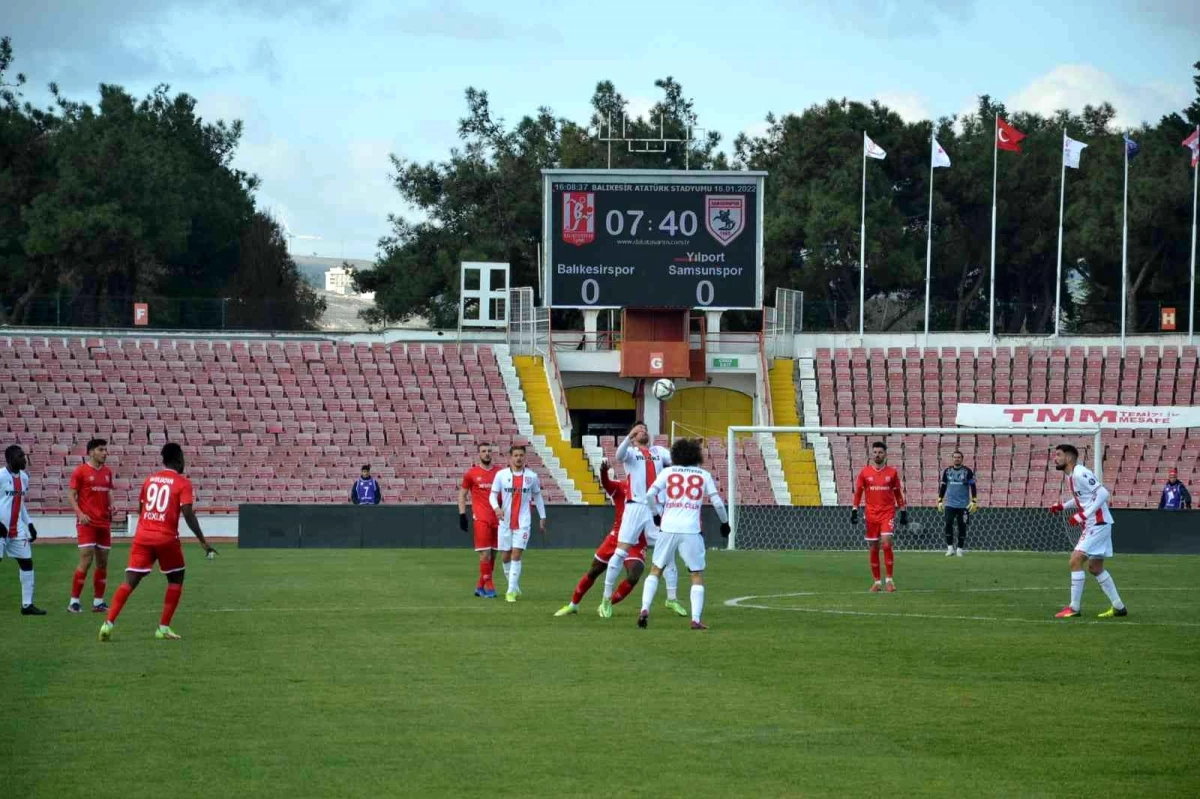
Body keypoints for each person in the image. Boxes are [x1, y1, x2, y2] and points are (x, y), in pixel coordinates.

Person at [99, 443, 217, 641]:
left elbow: (141, 508)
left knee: (130, 581)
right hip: (166, 537)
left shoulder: (150, 479)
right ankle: (163, 628)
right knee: (176, 578)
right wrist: (203, 541)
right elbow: (187, 513)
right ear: (178, 459)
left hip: (143, 536)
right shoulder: (182, 483)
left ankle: (107, 624)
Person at [637, 438, 730, 630]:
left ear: (676, 455)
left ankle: (644, 609)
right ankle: (695, 619)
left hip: (668, 526)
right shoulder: (703, 475)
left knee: (656, 569)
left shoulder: (668, 471)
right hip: (691, 529)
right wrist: (725, 523)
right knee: (695, 574)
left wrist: (656, 515)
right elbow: (718, 503)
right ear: (696, 455)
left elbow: (649, 495)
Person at [599, 421, 681, 619]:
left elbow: (676, 462)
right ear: (633, 437)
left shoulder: (659, 451)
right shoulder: (631, 453)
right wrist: (629, 435)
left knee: (667, 551)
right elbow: (618, 456)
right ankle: (606, 599)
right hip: (635, 507)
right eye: (639, 429)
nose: (643, 430)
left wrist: (687, 450)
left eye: (645, 428)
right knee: (620, 553)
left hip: (656, 508)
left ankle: (672, 598)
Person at [554, 459, 647, 616]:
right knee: (594, 570)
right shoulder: (621, 486)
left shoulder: (650, 490)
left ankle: (607, 604)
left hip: (637, 539)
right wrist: (603, 472)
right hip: (616, 536)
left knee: (635, 574)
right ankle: (573, 604)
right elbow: (606, 484)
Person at [1049, 444, 1126, 619]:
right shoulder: (1071, 476)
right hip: (1098, 524)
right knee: (1095, 567)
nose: (1055, 458)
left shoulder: (1080, 472)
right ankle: (1119, 607)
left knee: (1075, 560)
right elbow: (1082, 498)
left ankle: (1074, 608)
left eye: (1059, 455)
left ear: (1068, 458)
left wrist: (1084, 515)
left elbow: (1103, 493)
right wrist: (1063, 506)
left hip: (1097, 523)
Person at [488, 445, 547, 603]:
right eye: (515, 455)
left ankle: (510, 591)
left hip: (523, 522)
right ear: (510, 458)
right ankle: (514, 586)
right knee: (505, 556)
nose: (519, 458)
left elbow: (538, 497)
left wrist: (543, 516)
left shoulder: (532, 477)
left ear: (525, 457)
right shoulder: (501, 475)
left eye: (521, 455)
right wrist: (496, 509)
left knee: (516, 554)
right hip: (505, 522)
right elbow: (492, 496)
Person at [851, 441, 907, 593]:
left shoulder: (892, 472)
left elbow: (897, 493)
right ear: (871, 454)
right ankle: (877, 582)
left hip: (887, 512)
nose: (877, 455)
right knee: (873, 547)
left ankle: (889, 580)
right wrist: (854, 510)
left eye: (880, 452)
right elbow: (858, 493)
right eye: (875, 452)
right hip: (871, 514)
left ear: (885, 454)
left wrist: (903, 511)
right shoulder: (864, 473)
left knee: (887, 543)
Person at [67, 438, 115, 613]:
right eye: (101, 450)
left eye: (105, 450)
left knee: (102, 563)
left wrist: (112, 505)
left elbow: (109, 491)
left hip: (104, 523)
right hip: (87, 523)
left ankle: (98, 602)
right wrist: (80, 514)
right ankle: (73, 602)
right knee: (86, 561)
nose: (105, 453)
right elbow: (71, 495)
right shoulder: (80, 471)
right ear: (91, 452)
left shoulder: (108, 472)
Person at [0, 445, 44, 615]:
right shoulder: (1, 476)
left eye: (24, 456)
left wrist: (30, 524)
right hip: (0, 529)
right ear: (10, 459)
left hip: (16, 529)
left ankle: (27, 605)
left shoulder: (24, 477)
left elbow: (20, 503)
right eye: (20, 456)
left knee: (27, 563)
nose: (24, 459)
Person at [459, 442, 501, 598]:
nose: (487, 453)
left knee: (494, 555)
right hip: (481, 518)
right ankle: (490, 588)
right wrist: (462, 515)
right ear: (479, 454)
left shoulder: (500, 472)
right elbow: (462, 495)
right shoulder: (471, 474)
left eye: (489, 450)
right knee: (485, 554)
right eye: (484, 451)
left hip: (498, 518)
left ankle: (479, 587)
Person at [937, 450, 978, 556]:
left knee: (962, 527)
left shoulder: (967, 471)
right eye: (955, 457)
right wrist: (940, 500)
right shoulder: (947, 471)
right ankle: (950, 548)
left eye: (959, 457)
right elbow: (943, 486)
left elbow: (973, 486)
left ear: (962, 459)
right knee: (948, 524)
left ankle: (960, 549)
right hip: (950, 504)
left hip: (963, 505)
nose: (957, 459)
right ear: (952, 458)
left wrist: (974, 500)